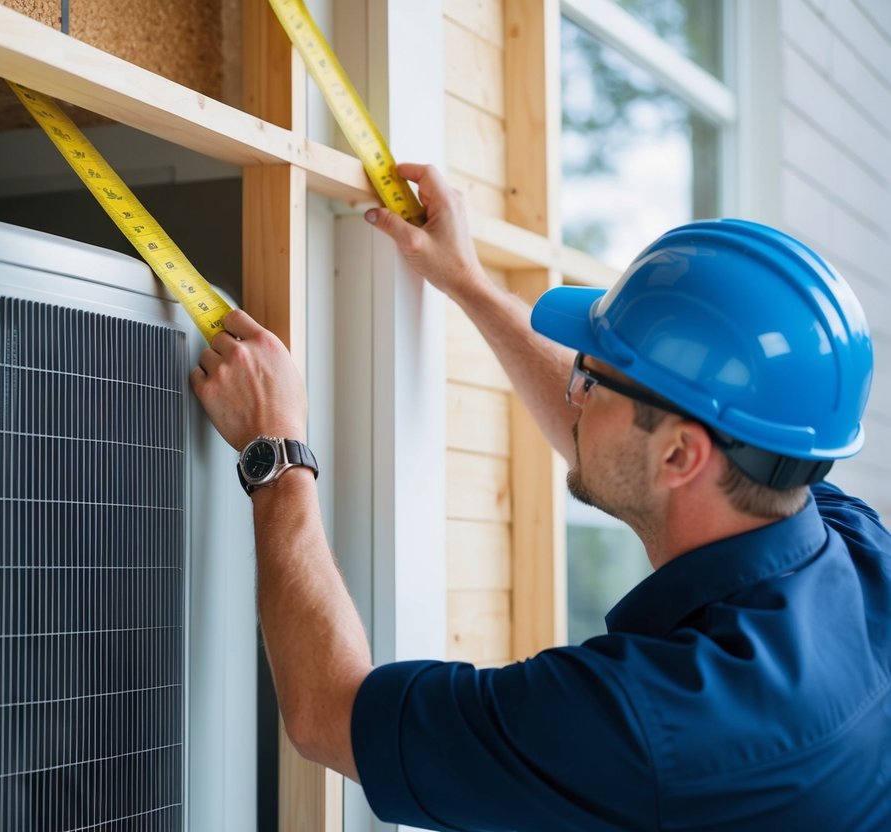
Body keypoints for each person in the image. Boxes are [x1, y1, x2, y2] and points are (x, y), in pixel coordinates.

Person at [189, 163, 890, 831]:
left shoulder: (656, 725)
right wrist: (465, 281)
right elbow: (626, 432)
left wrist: (275, 447)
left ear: (681, 454)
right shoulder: (850, 545)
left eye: (593, 378)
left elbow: (327, 713)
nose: (573, 393)